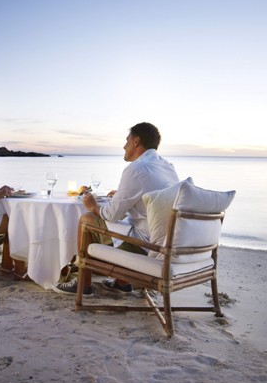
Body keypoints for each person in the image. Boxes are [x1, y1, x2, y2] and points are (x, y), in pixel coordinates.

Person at [53, 122, 180, 296]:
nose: (124, 145)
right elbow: (148, 201)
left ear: (136, 141)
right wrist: (121, 194)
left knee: (86, 219)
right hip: (169, 244)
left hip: (147, 247)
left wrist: (94, 206)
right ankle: (121, 283)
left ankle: (83, 284)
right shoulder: (168, 167)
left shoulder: (136, 169)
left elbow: (111, 215)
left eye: (126, 140)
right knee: (126, 221)